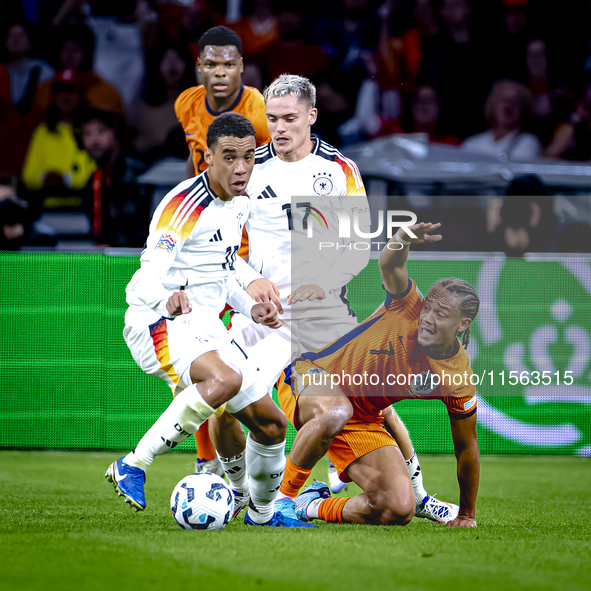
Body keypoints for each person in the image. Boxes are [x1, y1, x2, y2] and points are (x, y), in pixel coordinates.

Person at [206, 74, 457, 522]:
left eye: (289, 119)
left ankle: (415, 494)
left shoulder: (338, 170)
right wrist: (247, 280)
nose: (279, 128)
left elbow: (357, 246)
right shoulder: (250, 169)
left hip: (327, 316)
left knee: (375, 392)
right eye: (272, 119)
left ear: (311, 116)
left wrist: (323, 281)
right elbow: (217, 244)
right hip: (266, 321)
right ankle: (240, 486)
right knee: (226, 407)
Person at [105, 112, 313, 528]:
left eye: (249, 158)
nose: (241, 168)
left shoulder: (241, 202)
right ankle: (133, 463)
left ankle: (260, 512)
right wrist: (168, 299)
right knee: (224, 382)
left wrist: (249, 304)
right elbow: (140, 282)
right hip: (156, 323)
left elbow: (223, 265)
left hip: (203, 326)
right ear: (208, 159)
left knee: (271, 426)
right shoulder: (183, 207)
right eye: (229, 158)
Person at [275, 222, 481, 527]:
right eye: (429, 309)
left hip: (360, 418)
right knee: (336, 410)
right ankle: (280, 502)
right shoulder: (408, 305)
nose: (427, 319)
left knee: (397, 509)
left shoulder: (456, 378)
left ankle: (311, 505)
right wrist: (402, 238)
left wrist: (466, 514)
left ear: (463, 325)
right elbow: (390, 261)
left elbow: (467, 448)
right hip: (309, 375)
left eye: (441, 314)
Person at [175, 25, 271, 178]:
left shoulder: (259, 112)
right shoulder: (186, 102)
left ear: (240, 66)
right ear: (199, 65)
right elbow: (195, 153)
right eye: (211, 64)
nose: (219, 73)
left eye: (228, 65)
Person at [78, 107, 147, 247]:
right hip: (110, 264)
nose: (94, 141)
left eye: (101, 131)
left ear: (116, 134)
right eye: (87, 134)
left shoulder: (139, 177)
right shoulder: (92, 184)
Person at [462, 80, 540, 161]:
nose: (506, 107)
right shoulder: (472, 143)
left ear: (523, 109)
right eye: (502, 101)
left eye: (513, 103)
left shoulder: (527, 143)